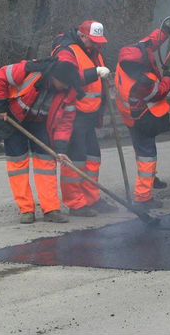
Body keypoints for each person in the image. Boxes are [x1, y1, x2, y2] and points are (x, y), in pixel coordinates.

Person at [0, 58, 83, 224]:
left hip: (41, 123)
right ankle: (26, 209)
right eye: (63, 84)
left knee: (47, 163)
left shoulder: (69, 90)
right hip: (13, 118)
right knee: (17, 164)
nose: (66, 88)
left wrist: (61, 149)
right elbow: (0, 75)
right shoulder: (30, 71)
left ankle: (51, 209)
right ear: (54, 78)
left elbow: (65, 123)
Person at [52, 20, 114, 216]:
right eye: (93, 41)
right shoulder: (66, 51)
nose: (96, 45)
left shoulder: (94, 51)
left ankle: (91, 199)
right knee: (76, 159)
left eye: (99, 41)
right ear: (83, 35)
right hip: (74, 113)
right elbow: (66, 77)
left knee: (93, 158)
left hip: (90, 114)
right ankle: (76, 204)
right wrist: (94, 73)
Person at [114, 26, 170, 209]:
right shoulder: (140, 83)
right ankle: (143, 198)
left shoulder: (128, 58)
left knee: (143, 153)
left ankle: (150, 180)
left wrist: (165, 30)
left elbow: (149, 41)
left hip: (130, 116)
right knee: (147, 155)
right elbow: (158, 92)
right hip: (141, 118)